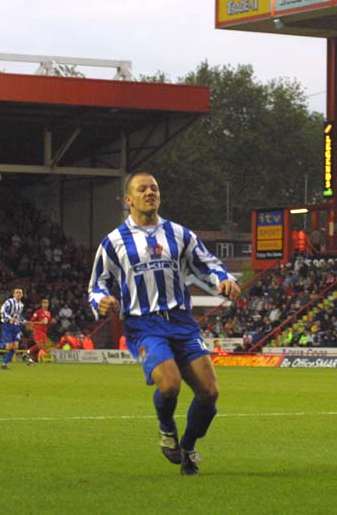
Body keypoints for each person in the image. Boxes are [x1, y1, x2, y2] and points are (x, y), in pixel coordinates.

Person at [88, 172, 240, 476]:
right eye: (142, 189)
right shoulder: (114, 241)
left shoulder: (179, 234)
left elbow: (206, 263)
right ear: (128, 200)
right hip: (143, 324)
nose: (149, 193)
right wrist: (101, 300)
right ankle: (166, 427)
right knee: (169, 384)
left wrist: (224, 279)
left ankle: (187, 446)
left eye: (154, 188)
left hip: (181, 322)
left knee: (209, 393)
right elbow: (97, 284)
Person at [0, 288, 28, 369]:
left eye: (20, 293)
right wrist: (9, 318)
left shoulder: (21, 305)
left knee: (15, 347)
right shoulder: (9, 302)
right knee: (8, 347)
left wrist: (25, 322)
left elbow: (19, 316)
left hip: (16, 327)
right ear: (14, 294)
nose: (18, 294)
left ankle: (4, 364)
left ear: (22, 295)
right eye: (17, 292)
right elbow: (2, 311)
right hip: (7, 325)